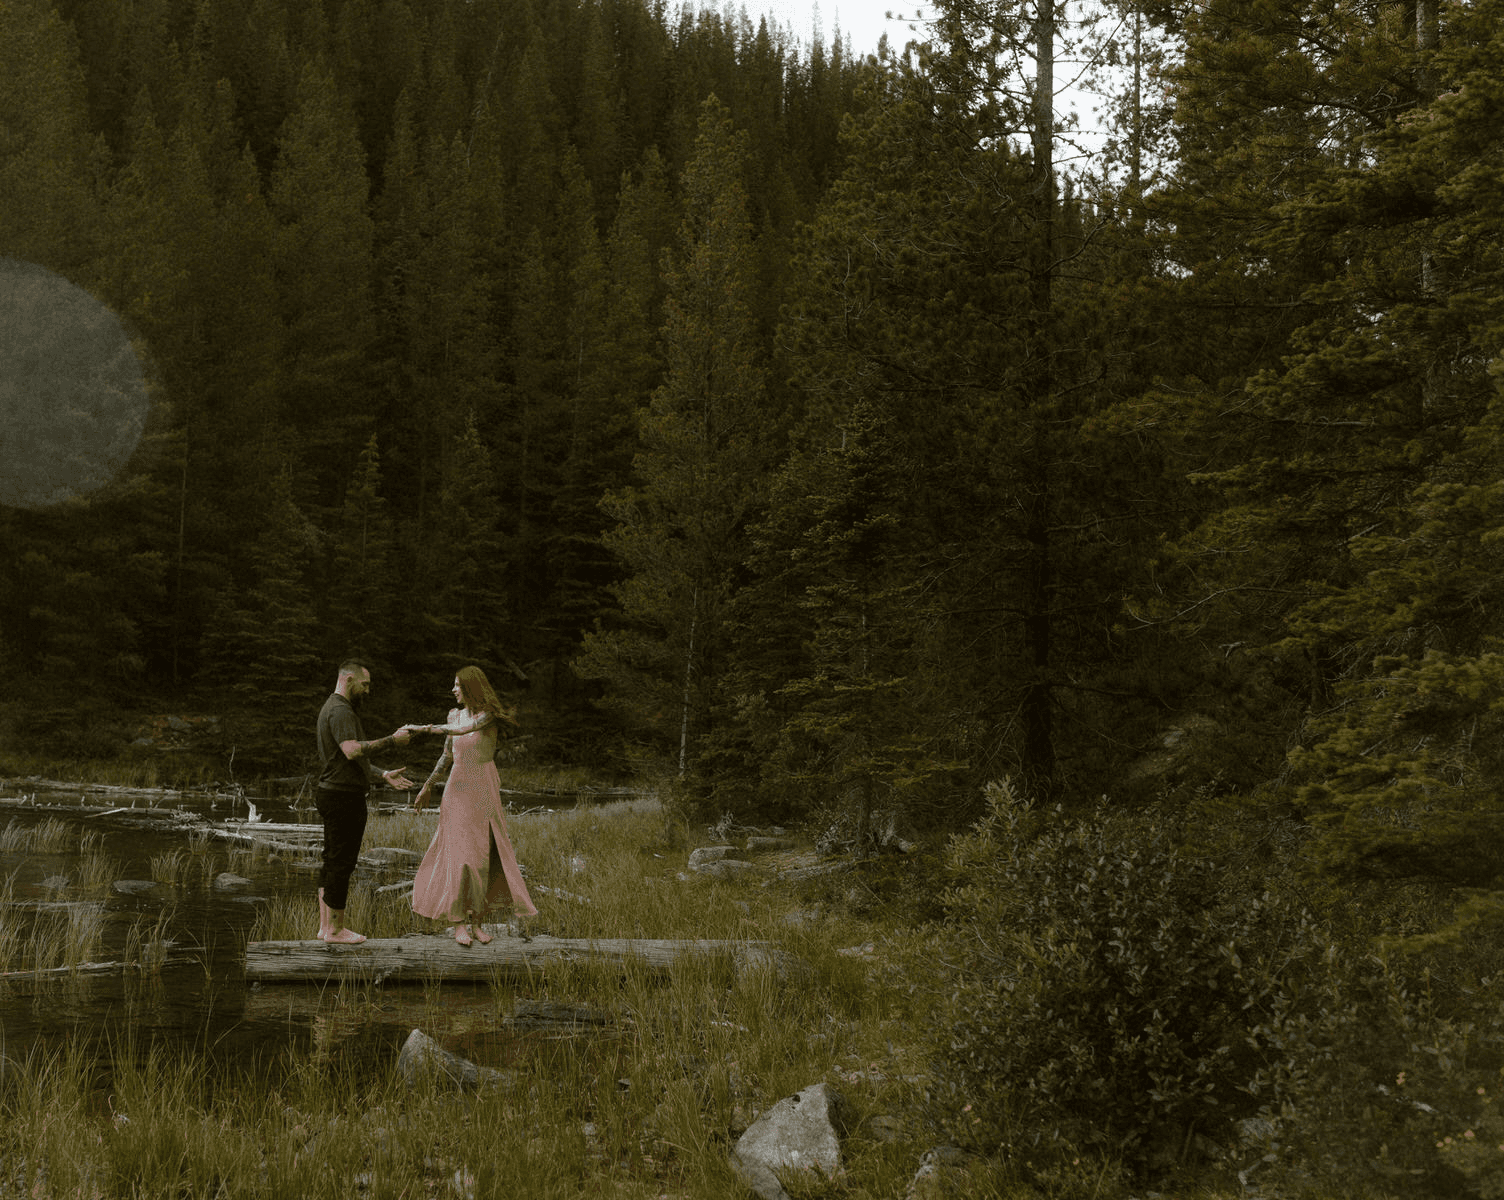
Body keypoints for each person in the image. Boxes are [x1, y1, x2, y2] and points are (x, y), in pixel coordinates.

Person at [404, 665, 538, 946]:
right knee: (459, 856)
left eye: (457, 685)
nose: (453, 689)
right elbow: (447, 756)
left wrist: (422, 729)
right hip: (457, 789)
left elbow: (466, 729)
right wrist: (428, 785)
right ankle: (458, 924)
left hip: (483, 788)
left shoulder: (487, 715)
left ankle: (477, 922)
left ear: (470, 687)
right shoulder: (453, 715)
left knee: (481, 858)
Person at [314, 659, 415, 944]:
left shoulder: (333, 707)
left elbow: (342, 760)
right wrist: (393, 740)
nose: (367, 690)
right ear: (348, 679)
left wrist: (382, 774)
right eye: (365, 684)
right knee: (341, 863)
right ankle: (335, 930)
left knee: (331, 860)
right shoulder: (340, 710)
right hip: (343, 796)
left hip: (334, 792)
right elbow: (351, 750)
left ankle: (325, 928)